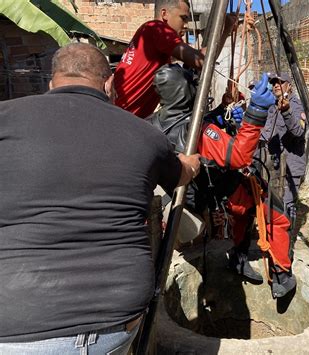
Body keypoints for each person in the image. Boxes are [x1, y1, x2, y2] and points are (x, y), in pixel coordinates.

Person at [0, 43, 200, 354]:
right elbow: (182, 173)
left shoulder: (6, 118)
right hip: (115, 322)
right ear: (109, 84)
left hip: (15, 320)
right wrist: (192, 163)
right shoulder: (145, 134)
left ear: (51, 83)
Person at [149, 64, 297, 298]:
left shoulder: (152, 124)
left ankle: (238, 258)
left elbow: (189, 122)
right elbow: (238, 156)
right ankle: (282, 275)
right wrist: (256, 112)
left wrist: (220, 112)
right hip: (225, 189)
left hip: (202, 195)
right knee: (277, 217)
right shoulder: (197, 130)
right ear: (185, 91)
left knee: (244, 214)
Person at [114, 0, 238, 118]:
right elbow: (202, 61)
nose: (185, 25)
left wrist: (225, 31)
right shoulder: (157, 29)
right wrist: (226, 28)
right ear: (164, 14)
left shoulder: (154, 40)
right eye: (183, 18)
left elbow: (200, 56)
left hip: (122, 116)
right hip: (119, 118)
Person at [260, 72, 306, 234]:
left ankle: (287, 247)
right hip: (274, 166)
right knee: (272, 205)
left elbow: (298, 131)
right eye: (273, 83)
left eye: (281, 82)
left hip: (291, 167)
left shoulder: (296, 105)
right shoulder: (272, 106)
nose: (276, 85)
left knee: (286, 208)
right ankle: (274, 243)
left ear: (289, 86)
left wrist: (286, 111)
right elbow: (266, 133)